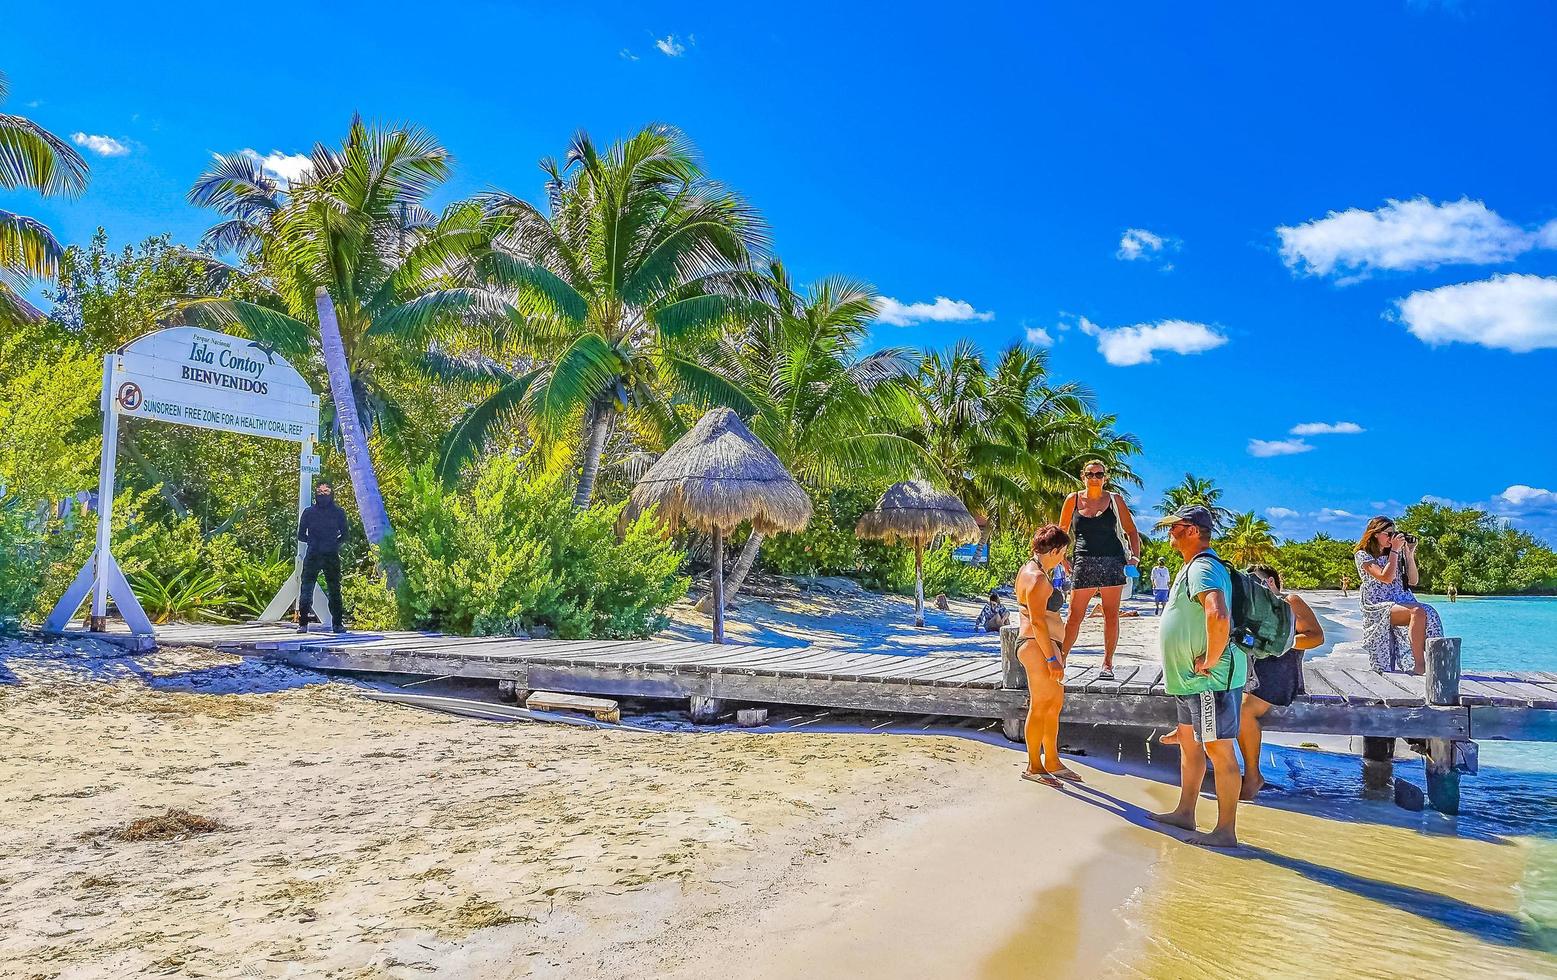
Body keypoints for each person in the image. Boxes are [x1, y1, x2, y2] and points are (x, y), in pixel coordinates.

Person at [1150, 505, 1245, 849]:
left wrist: (1213, 658)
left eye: (1175, 528)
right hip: (1189, 682)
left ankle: (1225, 831)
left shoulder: (1203, 566)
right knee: (1190, 747)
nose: (1170, 533)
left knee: (1218, 751)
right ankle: (1186, 811)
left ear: (1191, 531)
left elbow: (1217, 615)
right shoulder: (1194, 566)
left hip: (1209, 682)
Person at [1235, 564, 1324, 799]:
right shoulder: (1249, 607)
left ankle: (1253, 776)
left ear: (1272, 583)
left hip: (1282, 671)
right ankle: (1215, 767)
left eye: (1258, 582)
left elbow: (1316, 637)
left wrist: (1281, 642)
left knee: (1243, 711)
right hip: (1253, 672)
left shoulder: (1290, 601)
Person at [1058, 460, 1142, 680]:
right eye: (1090, 474)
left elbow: (1132, 531)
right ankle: (1062, 659)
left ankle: (1107, 664)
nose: (1094, 478)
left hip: (1112, 561)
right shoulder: (1072, 500)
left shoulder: (1115, 500)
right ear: (1082, 476)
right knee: (1074, 615)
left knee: (1111, 615)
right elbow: (1061, 533)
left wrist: (1134, 558)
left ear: (1106, 477)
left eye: (1099, 474)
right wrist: (1062, 559)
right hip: (1083, 561)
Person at [1014, 524, 1081, 786]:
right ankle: (1034, 765)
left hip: (1047, 645)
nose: (1065, 557)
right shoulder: (1037, 577)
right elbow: (1039, 621)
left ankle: (1051, 759)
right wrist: (1052, 657)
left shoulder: (1038, 570)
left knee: (1053, 706)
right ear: (1055, 550)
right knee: (1040, 705)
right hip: (1037, 645)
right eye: (1064, 552)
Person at [1354, 516, 1442, 674]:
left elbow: (1413, 581)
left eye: (1394, 533)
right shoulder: (1363, 555)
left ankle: (1436, 661)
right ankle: (1420, 666)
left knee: (1430, 612)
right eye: (1388, 534)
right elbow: (1385, 577)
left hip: (1400, 599)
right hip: (1377, 605)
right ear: (1375, 534)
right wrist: (1395, 550)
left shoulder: (1395, 554)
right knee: (1417, 611)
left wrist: (1409, 553)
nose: (1392, 537)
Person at [297, 482, 350, 633]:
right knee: (307, 589)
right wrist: (314, 542)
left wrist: (333, 544)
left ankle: (338, 624)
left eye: (326, 491)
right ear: (315, 493)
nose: (323, 494)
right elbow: (301, 535)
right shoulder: (309, 512)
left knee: (334, 590)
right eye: (320, 491)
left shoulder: (339, 512)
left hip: (330, 555)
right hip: (314, 554)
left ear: (332, 493)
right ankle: (302, 624)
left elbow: (345, 536)